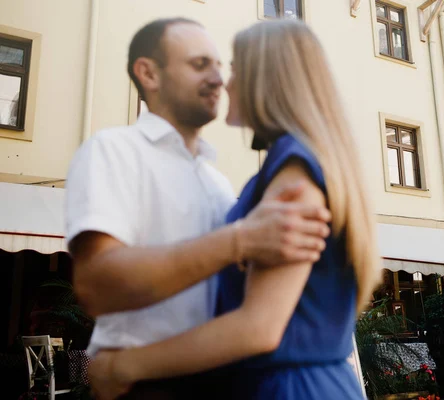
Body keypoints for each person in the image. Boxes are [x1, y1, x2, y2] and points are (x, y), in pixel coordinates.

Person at [89, 20, 382, 399]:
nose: (226, 83)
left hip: (288, 389)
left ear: (267, 80)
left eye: (236, 69)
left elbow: (258, 327)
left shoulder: (293, 171)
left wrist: (122, 366)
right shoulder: (302, 161)